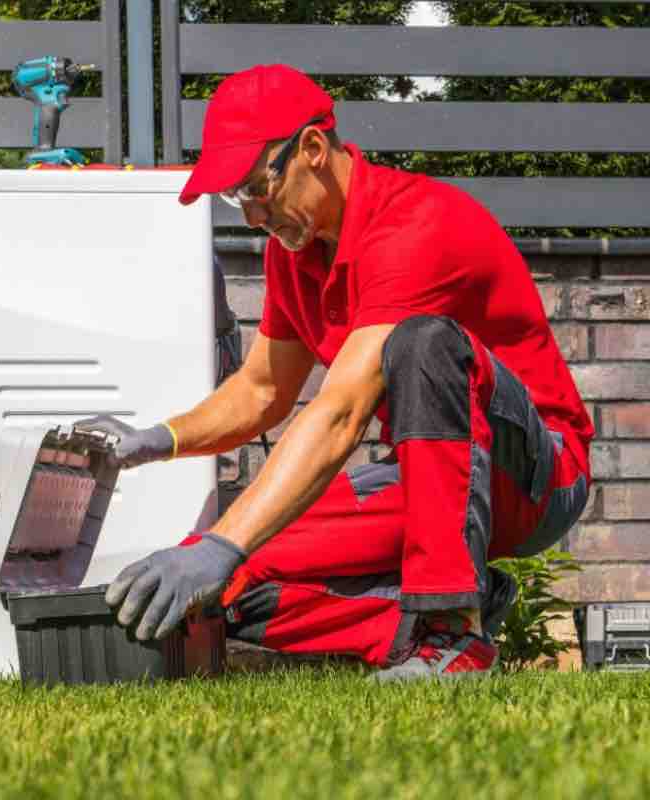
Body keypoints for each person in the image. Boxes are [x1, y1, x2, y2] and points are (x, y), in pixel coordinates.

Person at [77, 64, 592, 681]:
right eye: (234, 198)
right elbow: (262, 390)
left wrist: (224, 541)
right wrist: (155, 441)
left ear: (313, 149)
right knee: (223, 585)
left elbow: (341, 410)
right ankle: (441, 615)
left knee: (422, 343)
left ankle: (452, 634)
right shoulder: (293, 254)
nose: (250, 216)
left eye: (254, 189)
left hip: (537, 475)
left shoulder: (416, 225)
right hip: (432, 482)